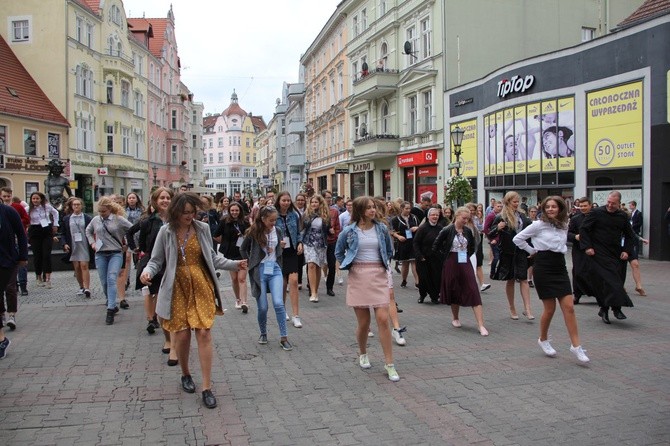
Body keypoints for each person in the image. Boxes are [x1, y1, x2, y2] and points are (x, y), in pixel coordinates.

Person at [140, 192, 246, 409]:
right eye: (185, 213)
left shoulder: (202, 228)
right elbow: (156, 260)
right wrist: (147, 273)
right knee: (182, 334)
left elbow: (213, 257)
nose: (189, 216)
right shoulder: (166, 231)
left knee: (204, 332)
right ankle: (186, 374)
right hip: (176, 286)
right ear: (176, 212)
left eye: (192, 212)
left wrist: (235, 264)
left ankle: (206, 387)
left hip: (200, 284)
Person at [513, 196, 589, 363]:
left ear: (560, 208)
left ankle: (576, 346)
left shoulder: (563, 224)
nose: (550, 209)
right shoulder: (538, 225)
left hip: (559, 266)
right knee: (550, 309)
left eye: (554, 206)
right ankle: (543, 339)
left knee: (569, 307)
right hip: (543, 267)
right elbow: (517, 239)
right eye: (547, 207)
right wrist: (532, 251)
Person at [335, 196, 399, 382]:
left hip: (378, 274)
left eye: (374, 207)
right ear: (360, 210)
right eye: (369, 208)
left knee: (382, 318)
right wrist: (349, 265)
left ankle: (389, 364)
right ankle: (363, 353)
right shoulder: (349, 231)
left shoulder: (381, 228)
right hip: (358, 276)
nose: (373, 210)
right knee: (364, 323)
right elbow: (338, 251)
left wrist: (384, 266)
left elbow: (388, 250)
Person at [240, 205, 293, 350]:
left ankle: (284, 337)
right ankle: (263, 332)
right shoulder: (254, 232)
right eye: (271, 220)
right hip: (259, 270)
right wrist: (249, 263)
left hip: (274, 268)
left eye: (275, 220)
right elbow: (242, 248)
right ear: (263, 219)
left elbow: (279, 248)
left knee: (278, 303)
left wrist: (280, 247)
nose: (273, 223)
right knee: (263, 307)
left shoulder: (278, 231)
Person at [579, 191, 636, 324]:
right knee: (606, 281)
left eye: (613, 204)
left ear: (619, 203)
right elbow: (584, 229)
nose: (610, 205)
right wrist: (587, 247)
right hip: (598, 253)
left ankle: (614, 308)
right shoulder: (596, 213)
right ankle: (608, 308)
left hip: (615, 253)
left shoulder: (622, 216)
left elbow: (630, 235)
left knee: (617, 280)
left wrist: (627, 251)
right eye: (608, 202)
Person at [433, 207, 489, 336]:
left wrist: (468, 255)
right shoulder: (447, 230)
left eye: (467, 218)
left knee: (473, 289)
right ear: (457, 216)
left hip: (464, 261)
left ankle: (481, 324)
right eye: (463, 218)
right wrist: (445, 258)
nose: (465, 221)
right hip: (451, 261)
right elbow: (436, 246)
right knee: (454, 289)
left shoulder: (468, 231)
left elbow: (472, 246)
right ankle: (455, 317)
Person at [86, 196, 133, 325]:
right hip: (100, 254)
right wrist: (92, 243)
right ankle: (110, 301)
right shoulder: (96, 220)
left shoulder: (118, 219)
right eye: (99, 211)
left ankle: (110, 309)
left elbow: (132, 229)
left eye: (104, 211)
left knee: (112, 278)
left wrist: (127, 244)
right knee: (104, 282)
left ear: (110, 209)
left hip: (115, 253)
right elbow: (88, 231)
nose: (101, 214)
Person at [488, 191, 534, 320]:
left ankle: (527, 309)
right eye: (514, 202)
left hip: (521, 250)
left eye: (517, 201)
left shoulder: (522, 216)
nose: (516, 204)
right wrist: (498, 227)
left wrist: (531, 250)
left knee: (524, 279)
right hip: (508, 252)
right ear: (508, 202)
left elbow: (530, 233)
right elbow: (490, 233)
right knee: (511, 279)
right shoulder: (501, 216)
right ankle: (512, 307)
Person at [0, 201, 29, 358]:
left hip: (5, 261)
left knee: (8, 289)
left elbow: (21, 234)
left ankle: (2, 339)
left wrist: (23, 256)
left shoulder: (8, 212)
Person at [213, 202, 250, 313]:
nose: (234, 212)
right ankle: (238, 299)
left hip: (242, 252)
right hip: (230, 253)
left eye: (236, 210)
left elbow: (251, 235)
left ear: (240, 211)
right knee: (234, 279)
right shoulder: (224, 222)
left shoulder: (245, 222)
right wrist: (224, 243)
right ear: (229, 211)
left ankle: (244, 302)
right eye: (232, 210)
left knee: (241, 279)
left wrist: (244, 237)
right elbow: (215, 235)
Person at [274, 192, 304, 328]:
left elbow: (298, 232)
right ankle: (283, 310)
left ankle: (296, 315)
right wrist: (275, 243)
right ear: (279, 201)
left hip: (291, 250)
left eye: (288, 200)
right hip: (279, 253)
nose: (286, 203)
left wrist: (300, 242)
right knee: (283, 283)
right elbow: (266, 232)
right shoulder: (273, 215)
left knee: (293, 281)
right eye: (283, 200)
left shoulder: (294, 215)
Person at [568, 197, 597, 305]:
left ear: (590, 205)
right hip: (579, 250)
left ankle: (598, 294)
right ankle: (577, 294)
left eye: (585, 206)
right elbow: (568, 234)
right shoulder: (575, 219)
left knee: (595, 272)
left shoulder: (597, 217)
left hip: (595, 249)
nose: (583, 208)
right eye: (581, 206)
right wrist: (575, 236)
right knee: (578, 272)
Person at [301, 195, 330, 302]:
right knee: (311, 264)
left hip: (321, 243)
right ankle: (312, 292)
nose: (314, 204)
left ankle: (316, 291)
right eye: (312, 202)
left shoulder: (325, 215)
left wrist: (329, 228)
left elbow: (327, 228)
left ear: (320, 203)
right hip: (309, 241)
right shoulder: (307, 214)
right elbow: (303, 228)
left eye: (316, 202)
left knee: (318, 266)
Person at [61, 198, 92, 298]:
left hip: (84, 244)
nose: (76, 206)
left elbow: (92, 231)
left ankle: (87, 288)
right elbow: (63, 233)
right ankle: (81, 286)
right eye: (74, 205)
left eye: (78, 204)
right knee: (77, 267)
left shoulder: (87, 218)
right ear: (71, 206)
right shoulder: (67, 218)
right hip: (73, 245)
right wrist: (64, 244)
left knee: (84, 265)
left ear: (81, 206)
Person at [28, 192, 60, 288]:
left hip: (46, 230)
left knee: (46, 255)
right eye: (33, 198)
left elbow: (56, 212)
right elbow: (24, 217)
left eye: (37, 198)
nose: (35, 200)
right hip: (34, 230)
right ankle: (38, 276)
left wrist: (55, 224)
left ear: (41, 199)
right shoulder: (28, 209)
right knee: (37, 255)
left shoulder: (47, 207)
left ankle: (48, 278)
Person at [413, 206, 444, 304]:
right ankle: (422, 295)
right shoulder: (422, 228)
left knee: (436, 277)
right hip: (423, 258)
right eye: (433, 215)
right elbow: (416, 242)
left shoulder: (441, 228)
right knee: (423, 278)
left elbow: (444, 242)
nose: (435, 217)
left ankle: (434, 296)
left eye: (437, 215)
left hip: (436, 258)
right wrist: (419, 255)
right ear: (428, 216)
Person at [391, 202, 419, 288]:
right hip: (403, 242)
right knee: (405, 263)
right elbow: (392, 231)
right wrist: (398, 236)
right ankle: (404, 280)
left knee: (414, 262)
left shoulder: (414, 217)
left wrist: (417, 228)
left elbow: (421, 226)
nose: (408, 210)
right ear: (402, 209)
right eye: (406, 208)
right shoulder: (395, 219)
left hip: (413, 241)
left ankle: (418, 282)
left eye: (409, 208)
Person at [110, 195, 131, 310]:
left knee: (121, 272)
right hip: (105, 250)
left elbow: (130, 230)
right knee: (110, 275)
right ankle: (110, 298)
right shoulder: (100, 218)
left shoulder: (121, 218)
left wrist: (128, 245)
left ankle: (122, 299)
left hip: (119, 248)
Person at [321, 190, 342, 296]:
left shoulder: (334, 211)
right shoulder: (317, 210)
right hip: (319, 242)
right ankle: (311, 287)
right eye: (327, 197)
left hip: (332, 241)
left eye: (330, 197)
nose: (329, 199)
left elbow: (338, 226)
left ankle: (330, 287)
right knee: (314, 265)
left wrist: (335, 234)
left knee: (332, 264)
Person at [627, 200, 646, 296]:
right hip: (617, 247)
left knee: (635, 264)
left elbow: (633, 233)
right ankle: (620, 286)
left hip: (628, 246)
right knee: (619, 268)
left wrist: (641, 239)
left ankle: (639, 286)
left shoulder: (627, 226)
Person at [484, 201, 503, 280]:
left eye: (501, 206)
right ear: (494, 206)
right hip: (494, 239)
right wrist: (491, 239)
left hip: (501, 239)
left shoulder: (501, 215)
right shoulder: (491, 216)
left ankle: (498, 272)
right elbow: (486, 228)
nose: (499, 208)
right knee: (496, 257)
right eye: (498, 206)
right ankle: (492, 273)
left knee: (501, 257)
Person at [294, 193, 308, 290]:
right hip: (295, 238)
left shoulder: (307, 212)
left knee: (305, 260)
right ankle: (297, 280)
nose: (300, 202)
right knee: (297, 259)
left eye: (302, 200)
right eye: (298, 200)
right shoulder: (293, 212)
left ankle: (305, 281)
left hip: (306, 238)